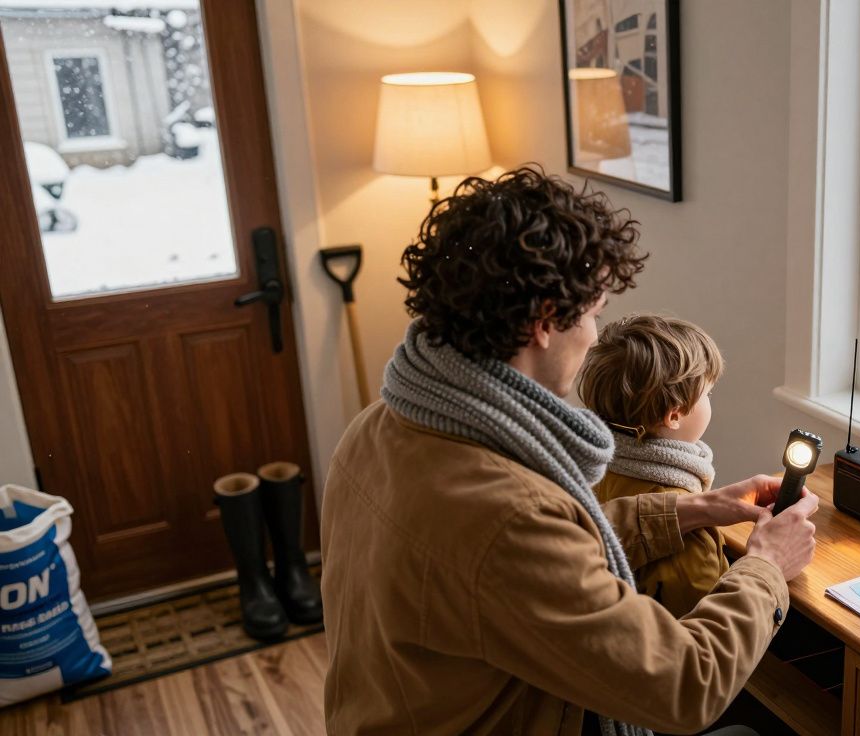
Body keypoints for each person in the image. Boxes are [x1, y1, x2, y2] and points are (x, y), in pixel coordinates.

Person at [319, 166, 818, 736]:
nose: (593, 335)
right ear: (544, 323)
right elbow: (686, 685)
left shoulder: (381, 424)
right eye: (592, 313)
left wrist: (696, 508)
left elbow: (524, 558)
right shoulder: (507, 513)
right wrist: (765, 567)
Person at [578, 314, 730, 618]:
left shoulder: (587, 471)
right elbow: (703, 622)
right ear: (674, 415)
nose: (710, 400)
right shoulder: (684, 525)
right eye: (707, 394)